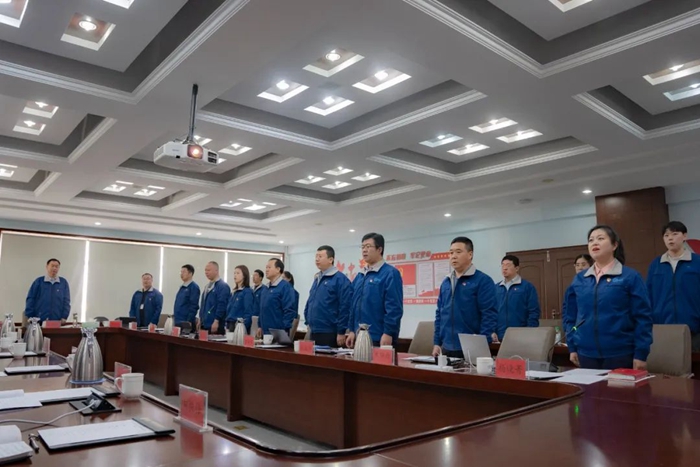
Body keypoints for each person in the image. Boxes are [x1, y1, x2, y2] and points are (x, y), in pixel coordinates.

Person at [564, 225, 653, 370]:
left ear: (614, 245)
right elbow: (571, 316)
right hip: (585, 353)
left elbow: (643, 317)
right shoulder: (579, 279)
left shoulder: (630, 276)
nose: (594, 243)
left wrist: (641, 353)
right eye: (591, 240)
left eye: (600, 238)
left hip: (621, 353)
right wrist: (572, 346)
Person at [432, 237, 498, 357]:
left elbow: (489, 315)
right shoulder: (446, 282)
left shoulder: (483, 281)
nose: (453, 256)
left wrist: (481, 343)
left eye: (458, 252)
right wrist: (437, 342)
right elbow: (440, 314)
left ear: (470, 254)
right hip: (446, 346)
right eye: (451, 253)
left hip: (472, 346)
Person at [647, 221, 700, 351]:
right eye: (666, 235)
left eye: (675, 234)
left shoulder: (697, 262)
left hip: (694, 328)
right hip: (663, 328)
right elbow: (648, 295)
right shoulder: (656, 264)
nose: (670, 238)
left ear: (685, 236)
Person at [346, 233, 403, 348]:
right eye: (362, 247)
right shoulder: (360, 276)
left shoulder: (390, 273)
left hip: (379, 336)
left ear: (379, 249)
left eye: (368, 246)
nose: (364, 250)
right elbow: (353, 305)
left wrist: (388, 332)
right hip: (359, 336)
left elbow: (394, 307)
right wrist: (351, 330)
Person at [304, 245, 353, 347]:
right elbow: (310, 301)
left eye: (320, 256)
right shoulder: (318, 278)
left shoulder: (340, 279)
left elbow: (345, 307)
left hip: (329, 332)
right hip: (314, 330)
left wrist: (341, 331)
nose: (317, 259)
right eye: (316, 256)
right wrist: (308, 321)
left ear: (331, 259)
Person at [494, 255, 540, 342]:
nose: (504, 268)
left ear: (517, 268)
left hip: (521, 336)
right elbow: (491, 312)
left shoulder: (527, 287)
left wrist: (530, 332)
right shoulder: (496, 288)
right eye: (502, 265)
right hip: (499, 335)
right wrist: (492, 331)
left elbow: (533, 312)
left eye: (508, 265)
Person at [258, 258, 297, 337]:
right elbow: (262, 309)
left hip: (278, 332)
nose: (266, 270)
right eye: (266, 267)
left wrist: (283, 330)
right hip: (265, 331)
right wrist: (259, 326)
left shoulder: (285, 287)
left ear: (278, 269)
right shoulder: (266, 288)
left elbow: (289, 311)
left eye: (269, 267)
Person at [25, 258, 71, 323]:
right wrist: (30, 316)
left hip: (57, 320)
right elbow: (31, 298)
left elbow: (66, 301)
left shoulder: (63, 283)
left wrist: (64, 316)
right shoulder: (39, 281)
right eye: (52, 266)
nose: (54, 268)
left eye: (56, 266)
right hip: (39, 320)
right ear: (47, 267)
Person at [562, 254, 593, 340]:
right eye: (577, 265)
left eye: (583, 264)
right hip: (575, 328)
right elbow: (566, 309)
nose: (580, 268)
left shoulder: (595, 284)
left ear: (591, 266)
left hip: (591, 328)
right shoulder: (571, 287)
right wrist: (567, 328)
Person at [198, 261, 230, 334]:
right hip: (204, 324)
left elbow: (222, 305)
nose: (206, 272)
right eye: (205, 270)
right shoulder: (207, 286)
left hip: (215, 325)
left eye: (208, 270)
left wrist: (216, 320)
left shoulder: (223, 286)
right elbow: (203, 304)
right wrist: (200, 318)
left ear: (216, 271)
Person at [226, 265, 255, 333]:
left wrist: (243, 327)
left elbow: (248, 312)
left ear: (244, 275)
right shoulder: (234, 292)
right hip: (230, 324)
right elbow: (229, 310)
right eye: (234, 273)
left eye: (238, 273)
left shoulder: (247, 292)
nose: (235, 275)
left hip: (239, 326)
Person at [173, 264, 200, 330]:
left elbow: (194, 305)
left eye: (184, 272)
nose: (181, 274)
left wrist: (189, 320)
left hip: (186, 322)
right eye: (181, 272)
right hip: (178, 320)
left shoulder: (194, 287)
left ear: (190, 273)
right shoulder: (182, 287)